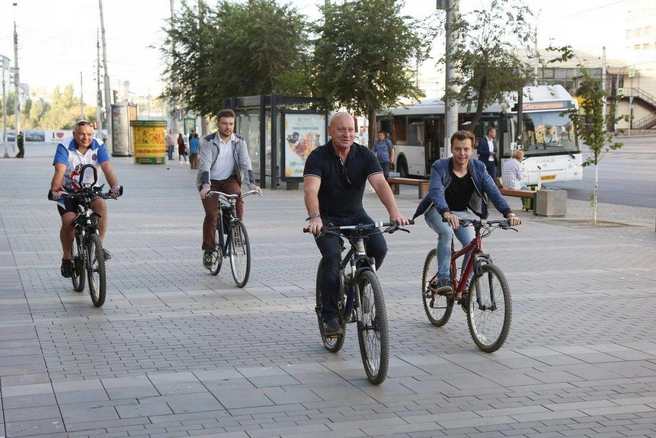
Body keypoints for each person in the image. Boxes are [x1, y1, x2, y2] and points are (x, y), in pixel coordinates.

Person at [304, 112, 411, 336]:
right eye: (341, 129)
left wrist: (394, 212)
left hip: (356, 214)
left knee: (379, 248)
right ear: (330, 131)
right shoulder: (318, 157)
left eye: (351, 129)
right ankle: (331, 315)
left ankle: (359, 280)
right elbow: (311, 189)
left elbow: (380, 183)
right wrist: (315, 216)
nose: (347, 134)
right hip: (327, 218)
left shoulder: (365, 155)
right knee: (332, 260)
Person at [414, 130, 520, 301]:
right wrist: (446, 212)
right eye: (457, 149)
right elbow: (436, 192)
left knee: (473, 245)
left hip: (463, 212)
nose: (462, 153)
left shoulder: (479, 168)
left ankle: (464, 288)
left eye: (466, 149)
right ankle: (443, 279)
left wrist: (508, 213)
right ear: (452, 149)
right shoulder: (439, 166)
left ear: (472, 150)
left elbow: (493, 191)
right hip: (437, 210)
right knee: (446, 233)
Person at [49, 120, 121, 278]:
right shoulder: (64, 146)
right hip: (67, 192)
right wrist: (55, 189)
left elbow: (107, 167)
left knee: (101, 205)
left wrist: (114, 187)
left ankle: (99, 248)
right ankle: (67, 258)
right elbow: (59, 170)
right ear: (74, 134)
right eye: (81, 134)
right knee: (69, 222)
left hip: (90, 190)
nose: (85, 137)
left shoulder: (98, 145)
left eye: (89, 134)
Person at [197, 109, 262, 269]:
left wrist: (252, 185)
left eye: (231, 124)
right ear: (218, 123)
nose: (228, 127)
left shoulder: (239, 141)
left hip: (229, 179)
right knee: (211, 215)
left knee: (238, 198)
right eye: (224, 123)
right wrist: (205, 186)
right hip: (211, 180)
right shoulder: (208, 141)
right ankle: (209, 250)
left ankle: (236, 232)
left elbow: (246, 163)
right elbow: (204, 165)